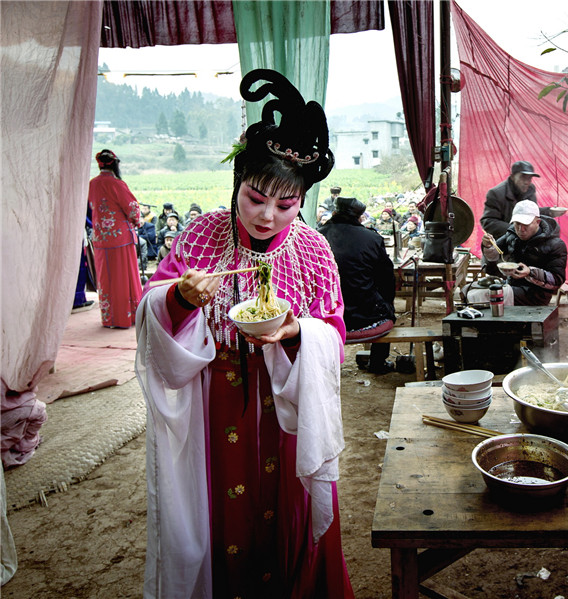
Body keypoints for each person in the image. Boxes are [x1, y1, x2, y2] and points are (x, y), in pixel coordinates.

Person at [136, 69, 354, 598]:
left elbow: (334, 333)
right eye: (255, 198)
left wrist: (298, 333)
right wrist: (181, 297)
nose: (267, 216)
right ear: (238, 183)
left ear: (302, 200)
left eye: (286, 205)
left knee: (287, 513)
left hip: (289, 404)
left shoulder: (314, 250)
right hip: (217, 401)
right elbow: (151, 305)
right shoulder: (202, 234)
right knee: (222, 513)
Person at [319, 197, 397, 374]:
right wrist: (388, 305)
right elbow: (386, 280)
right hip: (367, 318)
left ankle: (324, 367)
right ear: (360, 217)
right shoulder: (372, 238)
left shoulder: (316, 236)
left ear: (334, 213)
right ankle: (377, 362)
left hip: (325, 316)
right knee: (386, 305)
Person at [87, 149, 143, 328]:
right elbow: (132, 208)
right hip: (120, 238)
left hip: (100, 238)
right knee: (124, 277)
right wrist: (137, 221)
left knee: (106, 278)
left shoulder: (92, 184)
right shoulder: (117, 184)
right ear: (115, 164)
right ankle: (127, 316)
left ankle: (109, 318)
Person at [476, 200, 567, 306]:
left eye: (526, 225)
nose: (521, 229)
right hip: (511, 286)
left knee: (482, 295)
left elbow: (557, 281)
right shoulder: (512, 234)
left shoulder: (556, 244)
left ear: (537, 222)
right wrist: (488, 246)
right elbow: (494, 255)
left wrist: (530, 272)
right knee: (470, 290)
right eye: (517, 224)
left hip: (535, 295)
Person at [480, 160, 552, 238]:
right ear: (512, 177)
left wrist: (549, 211)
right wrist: (515, 230)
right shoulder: (496, 193)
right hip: (503, 239)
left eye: (529, 178)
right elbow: (488, 222)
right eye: (523, 177)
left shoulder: (530, 189)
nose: (527, 182)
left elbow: (531, 213)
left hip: (526, 239)